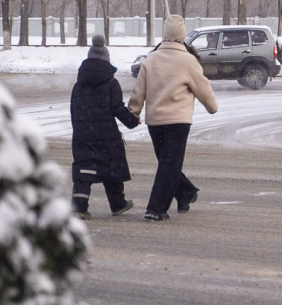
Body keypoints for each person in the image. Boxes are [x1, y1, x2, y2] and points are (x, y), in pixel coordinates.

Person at [129, 14, 218, 221]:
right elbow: (203, 88)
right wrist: (212, 107)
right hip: (179, 122)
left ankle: (173, 199)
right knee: (169, 165)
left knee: (167, 164)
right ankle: (162, 206)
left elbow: (138, 91)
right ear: (182, 35)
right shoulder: (188, 60)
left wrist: (134, 112)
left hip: (155, 122)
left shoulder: (150, 60)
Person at [70, 34, 140, 220]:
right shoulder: (111, 83)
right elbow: (117, 108)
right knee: (111, 167)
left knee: (84, 169)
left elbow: (74, 111)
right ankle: (118, 204)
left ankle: (78, 206)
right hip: (107, 135)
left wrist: (80, 130)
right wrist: (132, 121)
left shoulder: (78, 85)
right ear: (106, 60)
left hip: (83, 135)